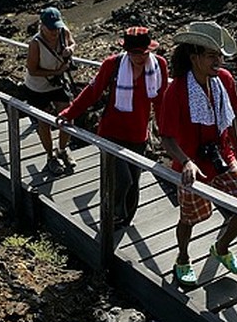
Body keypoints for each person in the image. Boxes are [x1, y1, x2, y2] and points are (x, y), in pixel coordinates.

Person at [159, 21, 237, 288]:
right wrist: (186, 161)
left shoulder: (224, 80)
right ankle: (182, 258)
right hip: (191, 161)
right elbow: (166, 136)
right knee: (189, 218)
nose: (218, 61)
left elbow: (234, 114)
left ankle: (222, 247)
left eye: (219, 55)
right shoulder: (177, 90)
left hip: (222, 156)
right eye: (211, 55)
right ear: (194, 58)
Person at [57, 26, 169, 226]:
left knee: (134, 182)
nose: (140, 58)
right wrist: (69, 113)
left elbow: (161, 101)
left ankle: (125, 219)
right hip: (111, 132)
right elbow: (93, 91)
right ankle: (112, 215)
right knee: (121, 179)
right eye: (135, 53)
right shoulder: (113, 65)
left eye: (144, 53)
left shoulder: (159, 65)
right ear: (126, 51)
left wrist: (165, 132)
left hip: (138, 134)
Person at [22, 6, 77, 176]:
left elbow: (73, 42)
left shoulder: (63, 32)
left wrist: (71, 49)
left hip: (57, 83)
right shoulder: (35, 44)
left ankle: (62, 149)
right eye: (51, 28)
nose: (55, 31)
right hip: (37, 87)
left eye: (57, 27)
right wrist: (56, 72)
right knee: (44, 122)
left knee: (68, 116)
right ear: (42, 26)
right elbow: (32, 70)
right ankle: (50, 156)